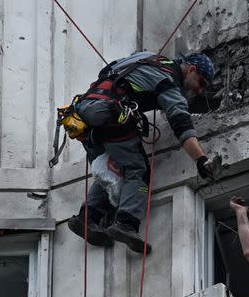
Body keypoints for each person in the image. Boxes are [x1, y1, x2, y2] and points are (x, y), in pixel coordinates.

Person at [67, 51, 219, 253]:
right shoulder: (169, 81)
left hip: (85, 113)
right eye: (201, 83)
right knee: (138, 170)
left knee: (114, 169)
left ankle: (87, 218)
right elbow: (181, 125)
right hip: (112, 114)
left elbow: (109, 69)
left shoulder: (150, 57)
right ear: (191, 69)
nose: (199, 90)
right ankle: (126, 223)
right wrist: (201, 159)